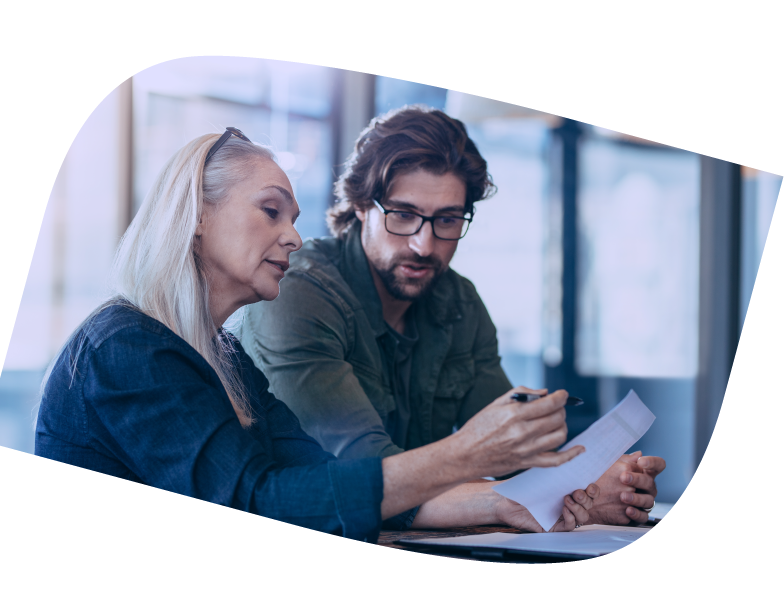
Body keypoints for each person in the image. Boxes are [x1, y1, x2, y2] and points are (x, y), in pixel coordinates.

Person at [35, 127, 599, 543]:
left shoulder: (223, 354)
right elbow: (254, 504)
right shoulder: (127, 348)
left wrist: (502, 502)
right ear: (197, 215)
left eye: (294, 218)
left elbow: (321, 481)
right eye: (271, 211)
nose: (293, 238)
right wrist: (465, 454)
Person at [240, 107, 666, 527]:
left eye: (446, 220)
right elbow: (366, 475)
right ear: (360, 206)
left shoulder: (458, 302)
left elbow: (516, 456)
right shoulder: (298, 293)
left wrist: (594, 483)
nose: (425, 245)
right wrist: (516, 498)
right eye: (404, 215)